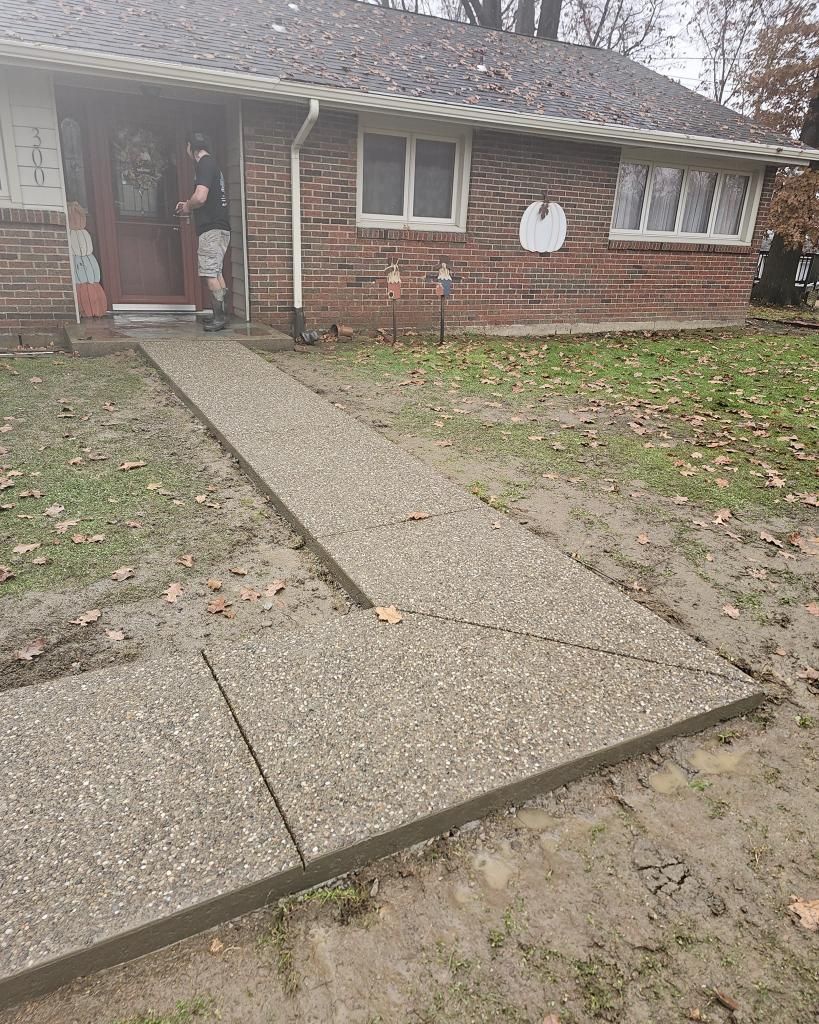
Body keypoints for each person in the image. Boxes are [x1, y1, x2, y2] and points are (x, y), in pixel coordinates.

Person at [176, 132, 230, 332]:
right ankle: (222, 315)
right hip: (221, 227)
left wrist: (187, 207)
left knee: (209, 272)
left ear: (190, 147)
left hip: (211, 229)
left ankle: (219, 318)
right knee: (216, 271)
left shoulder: (204, 164)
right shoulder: (212, 164)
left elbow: (200, 198)